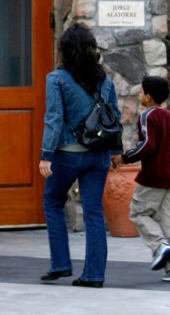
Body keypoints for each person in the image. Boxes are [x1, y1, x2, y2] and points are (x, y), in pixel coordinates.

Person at [39, 23, 122, 288]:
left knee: (53, 202)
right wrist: (117, 153)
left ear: (65, 50)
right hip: (99, 155)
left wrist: (46, 155)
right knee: (94, 213)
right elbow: (115, 117)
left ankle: (61, 264)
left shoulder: (57, 78)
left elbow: (54, 119)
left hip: (68, 154)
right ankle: (94, 274)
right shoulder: (105, 80)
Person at [111, 75, 170, 283]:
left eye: (140, 92)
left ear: (148, 96)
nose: (139, 95)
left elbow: (147, 145)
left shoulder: (148, 116)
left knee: (138, 212)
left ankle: (159, 245)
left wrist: (125, 158)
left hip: (154, 178)